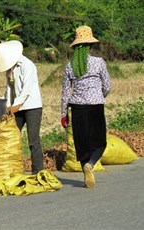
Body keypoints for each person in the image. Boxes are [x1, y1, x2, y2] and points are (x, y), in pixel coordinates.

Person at [61, 25, 112, 188]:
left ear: (75, 47)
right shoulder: (99, 62)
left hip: (77, 108)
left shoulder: (70, 66)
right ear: (90, 45)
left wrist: (63, 114)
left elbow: (65, 93)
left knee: (81, 142)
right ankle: (91, 164)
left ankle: (85, 169)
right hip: (96, 106)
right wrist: (99, 95)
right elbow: (108, 85)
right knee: (99, 142)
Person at [0, 40, 43, 174]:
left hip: (32, 106)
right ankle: (11, 168)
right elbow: (9, 90)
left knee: (33, 140)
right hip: (16, 107)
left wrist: (16, 105)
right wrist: (6, 105)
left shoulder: (27, 65)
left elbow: (27, 89)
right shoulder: (9, 70)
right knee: (12, 137)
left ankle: (38, 171)